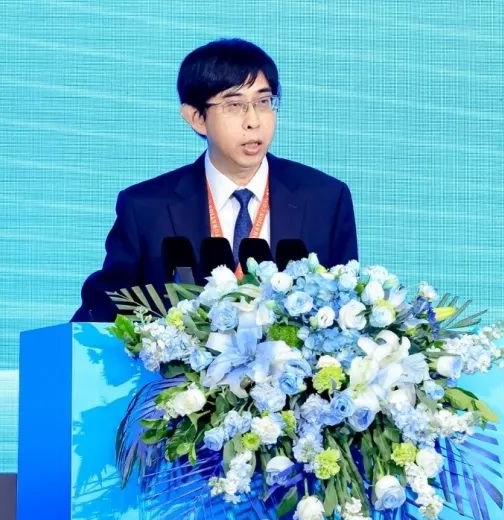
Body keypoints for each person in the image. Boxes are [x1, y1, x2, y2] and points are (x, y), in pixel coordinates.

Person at [72, 38, 358, 322]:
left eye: (263, 102)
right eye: (234, 105)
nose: (254, 121)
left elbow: (347, 310)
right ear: (196, 118)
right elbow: (103, 312)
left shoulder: (325, 199)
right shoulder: (146, 208)